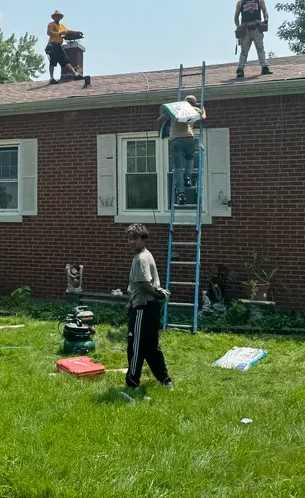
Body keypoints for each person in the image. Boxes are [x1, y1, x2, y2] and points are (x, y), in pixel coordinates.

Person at [125, 223, 173, 392]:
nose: (131, 242)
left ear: (144, 239)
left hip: (143, 308)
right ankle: (165, 380)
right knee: (151, 346)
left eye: (135, 239)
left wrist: (155, 294)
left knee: (136, 346)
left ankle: (132, 383)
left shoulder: (141, 258)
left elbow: (146, 284)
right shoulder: (145, 254)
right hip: (149, 307)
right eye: (129, 239)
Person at [158, 95, 206, 206]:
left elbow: (160, 119)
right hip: (189, 138)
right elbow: (203, 118)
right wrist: (203, 109)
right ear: (194, 103)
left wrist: (159, 131)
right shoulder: (196, 110)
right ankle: (188, 178)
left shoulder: (176, 109)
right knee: (189, 159)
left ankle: (180, 193)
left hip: (175, 140)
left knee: (178, 167)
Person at [234, 0, 272, 78]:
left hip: (256, 27)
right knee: (244, 51)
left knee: (260, 48)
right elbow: (236, 16)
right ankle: (240, 69)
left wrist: (266, 20)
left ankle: (264, 67)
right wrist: (238, 26)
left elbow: (265, 10)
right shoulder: (241, 2)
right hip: (245, 28)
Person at [46, 10, 84, 84]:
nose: (58, 17)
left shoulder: (62, 26)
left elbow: (67, 31)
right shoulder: (51, 24)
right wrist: (60, 33)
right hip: (52, 45)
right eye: (56, 16)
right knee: (53, 62)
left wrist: (76, 32)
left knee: (65, 61)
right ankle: (51, 78)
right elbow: (49, 32)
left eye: (59, 16)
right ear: (54, 17)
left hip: (59, 46)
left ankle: (75, 74)